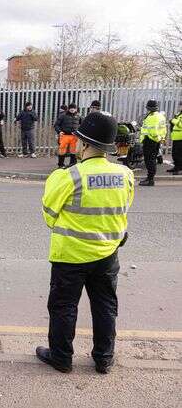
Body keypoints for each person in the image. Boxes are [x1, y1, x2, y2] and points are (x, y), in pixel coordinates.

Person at [38, 112, 134, 375]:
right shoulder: (125, 175)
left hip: (70, 256)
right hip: (107, 255)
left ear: (84, 144)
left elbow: (49, 216)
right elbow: (122, 211)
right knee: (105, 307)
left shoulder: (68, 176)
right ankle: (104, 358)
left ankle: (61, 358)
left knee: (64, 308)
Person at [138, 100, 167, 186]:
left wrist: (151, 137)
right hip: (156, 140)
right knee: (153, 159)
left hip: (150, 140)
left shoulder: (151, 117)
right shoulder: (160, 116)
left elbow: (153, 130)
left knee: (149, 160)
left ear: (149, 108)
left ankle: (150, 179)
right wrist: (160, 138)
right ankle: (150, 178)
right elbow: (163, 129)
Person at [54, 102, 82, 168]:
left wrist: (78, 132)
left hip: (74, 136)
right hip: (64, 136)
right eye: (71, 108)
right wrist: (59, 131)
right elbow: (56, 125)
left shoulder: (79, 116)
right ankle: (60, 165)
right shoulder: (63, 116)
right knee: (62, 150)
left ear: (76, 109)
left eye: (74, 108)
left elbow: (83, 125)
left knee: (73, 150)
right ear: (68, 109)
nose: (72, 109)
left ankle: (72, 164)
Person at [168, 101, 182, 175]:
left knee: (179, 154)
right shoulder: (179, 114)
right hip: (176, 137)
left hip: (180, 138)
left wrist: (173, 120)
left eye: (181, 105)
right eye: (179, 105)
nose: (179, 107)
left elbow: (180, 124)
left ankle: (180, 169)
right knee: (174, 154)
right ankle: (176, 167)